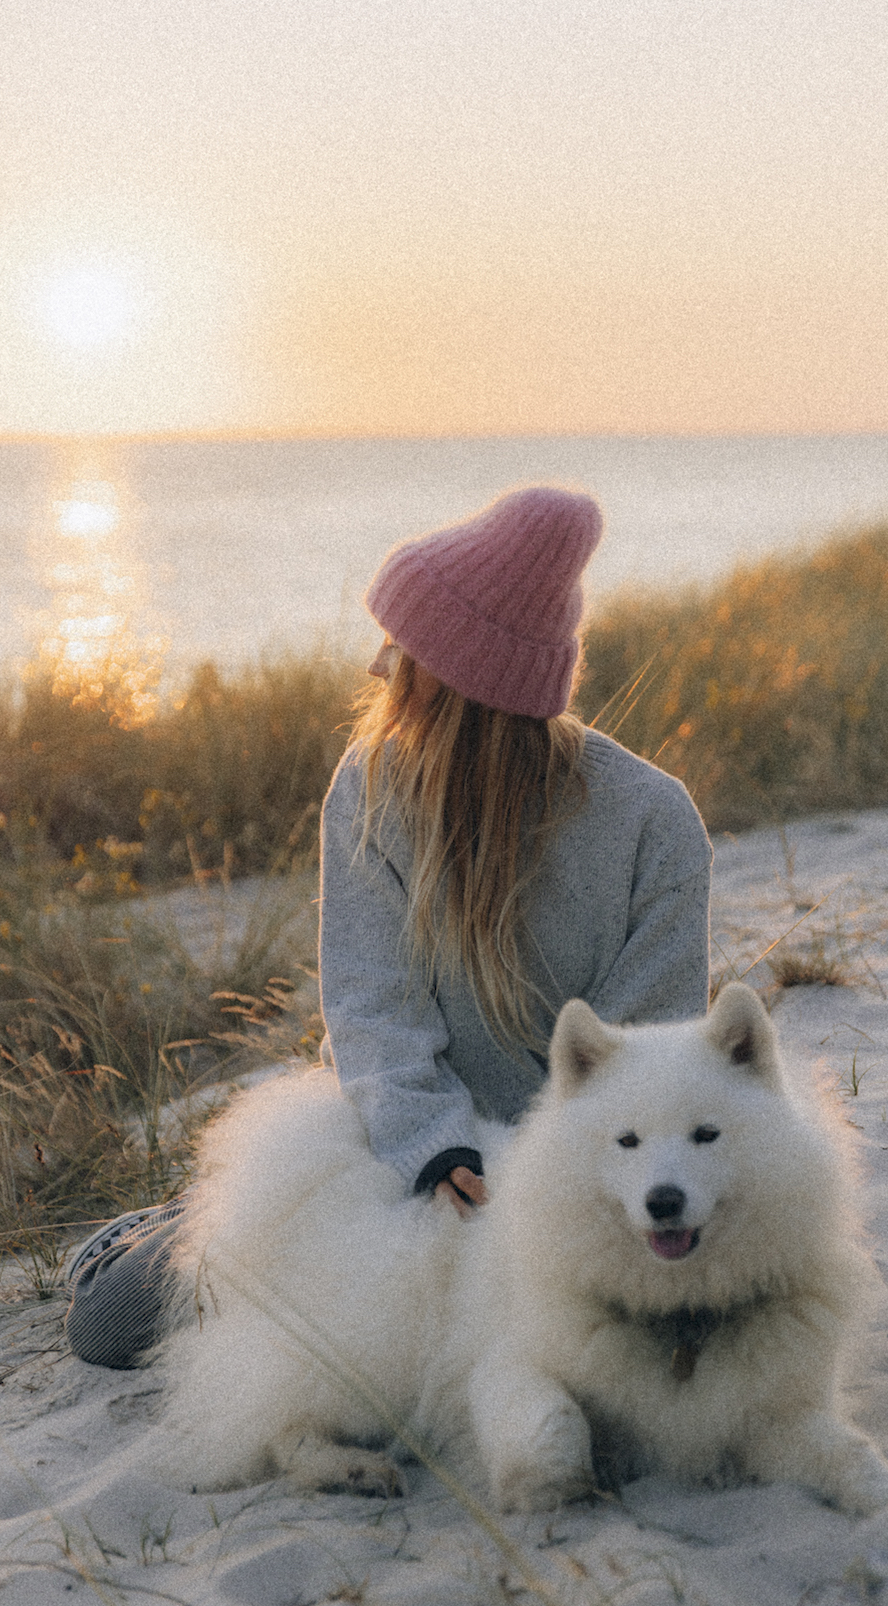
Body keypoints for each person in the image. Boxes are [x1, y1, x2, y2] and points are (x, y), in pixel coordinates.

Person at [64, 485, 711, 1366]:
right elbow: (372, 1010)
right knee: (108, 1324)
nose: (378, 664)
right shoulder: (372, 789)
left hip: (582, 1177)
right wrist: (435, 1147)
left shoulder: (653, 820)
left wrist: (530, 1185)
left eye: (403, 644)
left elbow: (644, 1061)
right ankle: (164, 1224)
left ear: (456, 675)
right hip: (403, 1143)